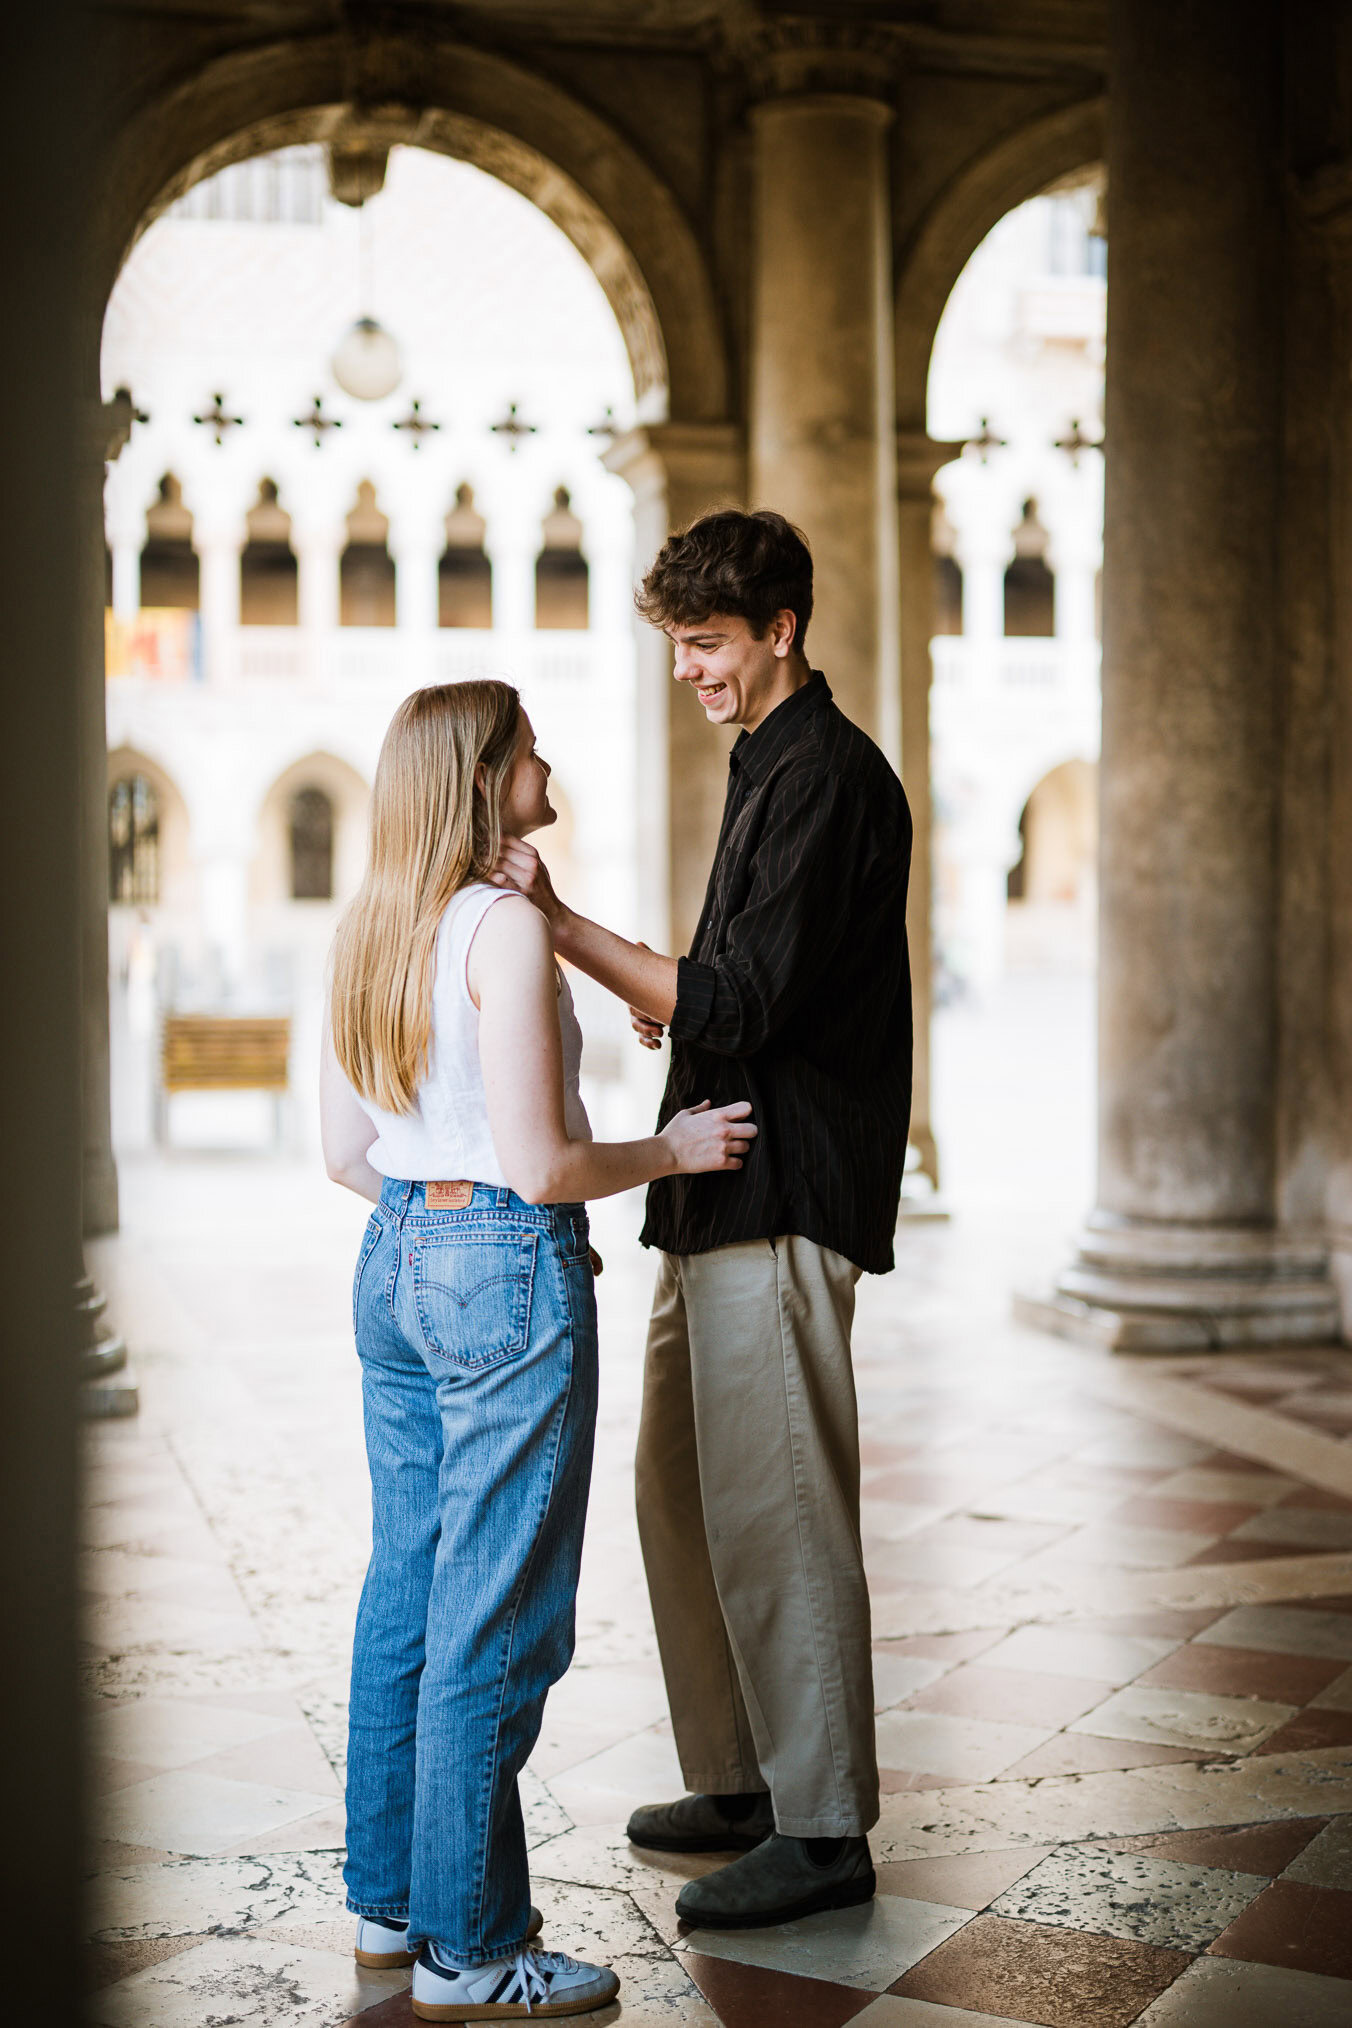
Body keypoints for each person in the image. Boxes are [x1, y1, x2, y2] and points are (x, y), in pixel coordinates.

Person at [492, 510, 912, 1930]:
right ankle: (740, 1777)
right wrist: (664, 989)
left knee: (780, 1509)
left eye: (708, 643)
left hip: (781, 1189)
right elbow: (733, 984)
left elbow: (737, 1000)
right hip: (715, 1184)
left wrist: (564, 925)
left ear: (780, 630)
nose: (689, 669)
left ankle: (824, 1825)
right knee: (681, 1492)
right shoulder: (767, 760)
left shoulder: (829, 776)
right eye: (677, 644)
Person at [320, 679, 755, 2019]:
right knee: (497, 1615)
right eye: (526, 749)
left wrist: (438, 1218)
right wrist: (670, 1149)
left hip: (393, 1256)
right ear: (481, 777)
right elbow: (547, 1165)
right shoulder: (499, 929)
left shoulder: (371, 921)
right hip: (501, 1267)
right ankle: (472, 1947)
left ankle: (392, 1910)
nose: (546, 763)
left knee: (409, 1589)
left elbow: (345, 1153)